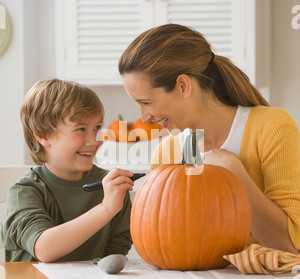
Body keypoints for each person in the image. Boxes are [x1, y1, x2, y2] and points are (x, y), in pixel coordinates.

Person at [119, 23, 300, 254]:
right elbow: (169, 244)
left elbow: (290, 244)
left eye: (146, 102)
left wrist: (236, 175)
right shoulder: (168, 153)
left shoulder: (271, 127)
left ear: (183, 85)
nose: (144, 117)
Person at [1, 79, 134, 262]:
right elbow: (44, 249)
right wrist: (106, 209)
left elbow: (115, 252)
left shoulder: (111, 186)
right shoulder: (25, 191)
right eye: (81, 129)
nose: (94, 140)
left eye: (96, 127)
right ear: (43, 135)